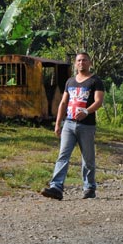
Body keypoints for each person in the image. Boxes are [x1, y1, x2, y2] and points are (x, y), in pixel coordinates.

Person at [41, 52, 105, 200]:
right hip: (69, 124)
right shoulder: (70, 81)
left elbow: (98, 101)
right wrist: (58, 123)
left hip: (87, 126)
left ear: (89, 63)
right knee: (63, 156)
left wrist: (86, 112)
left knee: (88, 158)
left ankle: (89, 187)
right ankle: (56, 187)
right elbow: (63, 103)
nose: (81, 63)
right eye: (79, 60)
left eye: (84, 60)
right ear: (75, 64)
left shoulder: (96, 81)